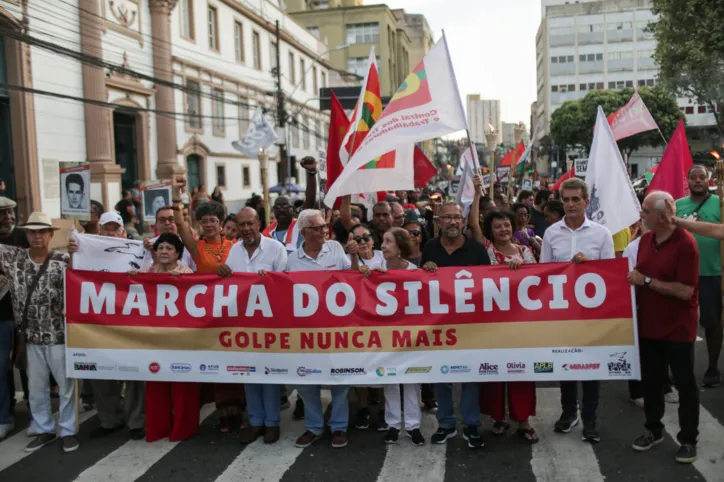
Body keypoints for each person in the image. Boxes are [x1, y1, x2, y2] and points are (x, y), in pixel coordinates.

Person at [540, 177, 614, 443]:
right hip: (562, 314)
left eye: (575, 199)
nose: (570, 204)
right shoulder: (551, 233)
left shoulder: (601, 234)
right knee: (565, 365)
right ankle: (569, 412)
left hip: (590, 315)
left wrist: (590, 265)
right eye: (566, 200)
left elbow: (610, 275)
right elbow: (543, 274)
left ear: (586, 201)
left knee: (591, 368)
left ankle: (591, 419)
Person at [629, 191, 699, 464]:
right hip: (649, 326)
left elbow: (684, 291)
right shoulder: (645, 239)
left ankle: (689, 439)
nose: (641, 215)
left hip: (678, 328)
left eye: (645, 211)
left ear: (661, 216)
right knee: (652, 383)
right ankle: (653, 430)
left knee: (685, 386)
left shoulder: (686, 244)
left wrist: (645, 281)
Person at [0, 212, 78, 452]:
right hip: (29, 337)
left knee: (66, 387)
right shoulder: (13, 257)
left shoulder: (64, 260)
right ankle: (44, 429)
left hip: (59, 335)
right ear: (25, 234)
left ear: (50, 235)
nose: (37, 235)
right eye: (32, 231)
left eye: (42, 231)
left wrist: (79, 251)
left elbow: (83, 280)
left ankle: (68, 431)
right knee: (36, 388)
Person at [69, 212, 147, 441]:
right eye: (107, 229)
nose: (111, 233)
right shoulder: (84, 250)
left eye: (115, 229)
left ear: (123, 232)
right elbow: (73, 275)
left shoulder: (140, 252)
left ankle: (136, 421)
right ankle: (109, 419)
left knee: (134, 373)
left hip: (131, 321)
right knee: (101, 371)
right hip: (99, 323)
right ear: (98, 232)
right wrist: (74, 251)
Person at [421, 201, 490, 449]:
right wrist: (424, 270)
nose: (452, 222)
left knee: (471, 375)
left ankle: (471, 424)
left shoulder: (477, 250)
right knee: (442, 375)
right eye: (447, 217)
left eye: (457, 218)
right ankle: (446, 424)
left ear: (463, 222)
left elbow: (491, 286)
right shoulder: (429, 249)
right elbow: (417, 287)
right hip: (439, 326)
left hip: (470, 325)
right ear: (438, 221)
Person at [172, 178, 238, 432]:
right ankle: (223, 409)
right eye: (204, 221)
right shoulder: (197, 247)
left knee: (237, 359)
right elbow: (180, 224)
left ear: (221, 225)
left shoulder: (235, 246)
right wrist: (178, 197)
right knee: (218, 360)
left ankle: (239, 407)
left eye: (213, 220)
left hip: (234, 311)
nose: (209, 224)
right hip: (208, 314)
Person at [217, 207, 287, 445]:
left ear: (259, 223)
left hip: (269, 324)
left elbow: (285, 283)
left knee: (269, 375)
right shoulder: (234, 251)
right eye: (241, 225)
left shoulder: (276, 249)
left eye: (250, 223)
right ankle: (256, 421)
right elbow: (227, 285)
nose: (246, 229)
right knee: (248, 373)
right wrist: (222, 272)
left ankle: (272, 423)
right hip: (243, 325)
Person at [288, 209, 352, 449]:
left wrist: (357, 262)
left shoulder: (335, 248)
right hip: (306, 330)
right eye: (317, 227)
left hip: (337, 329)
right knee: (306, 380)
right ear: (304, 232)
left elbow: (351, 278)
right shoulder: (292, 259)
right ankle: (314, 427)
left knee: (340, 380)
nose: (324, 230)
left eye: (325, 225)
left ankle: (339, 427)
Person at [131, 233, 198, 442]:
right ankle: (158, 428)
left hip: (181, 339)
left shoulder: (187, 273)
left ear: (178, 253)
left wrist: (184, 283)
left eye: (169, 249)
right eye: (160, 249)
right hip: (155, 339)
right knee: (156, 383)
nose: (164, 252)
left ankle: (182, 428)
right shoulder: (149, 273)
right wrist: (129, 278)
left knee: (181, 385)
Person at [359, 228, 424, 445]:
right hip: (385, 336)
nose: (383, 246)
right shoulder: (376, 269)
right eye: (383, 241)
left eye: (389, 242)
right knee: (390, 380)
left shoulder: (415, 271)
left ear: (401, 247)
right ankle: (394, 425)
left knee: (412, 380)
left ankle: (413, 426)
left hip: (410, 335)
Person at [480, 210, 538, 443]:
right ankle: (498, 417)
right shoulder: (484, 254)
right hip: (492, 324)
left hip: (522, 323)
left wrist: (523, 267)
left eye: (506, 225)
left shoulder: (526, 252)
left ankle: (523, 420)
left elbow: (538, 280)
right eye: (497, 226)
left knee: (522, 370)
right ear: (490, 231)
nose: (503, 229)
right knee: (494, 370)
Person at [674, 164, 722, 388]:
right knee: (682, 323)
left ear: (708, 179)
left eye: (702, 177)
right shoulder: (678, 205)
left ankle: (713, 367)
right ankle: (681, 369)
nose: (698, 181)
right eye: (693, 177)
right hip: (684, 275)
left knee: (712, 324)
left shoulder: (719, 203)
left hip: (713, 273)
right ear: (688, 181)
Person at [0, 197, 28, 439]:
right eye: (3, 213)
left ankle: (32, 404)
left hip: (21, 312)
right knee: (1, 366)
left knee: (27, 363)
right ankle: (5, 415)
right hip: (2, 316)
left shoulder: (21, 236)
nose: (9, 217)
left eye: (10, 212)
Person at [141, 206, 196, 271]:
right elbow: (143, 273)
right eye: (162, 220)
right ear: (156, 224)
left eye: (171, 219)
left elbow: (195, 272)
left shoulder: (188, 245)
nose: (167, 223)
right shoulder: (147, 245)